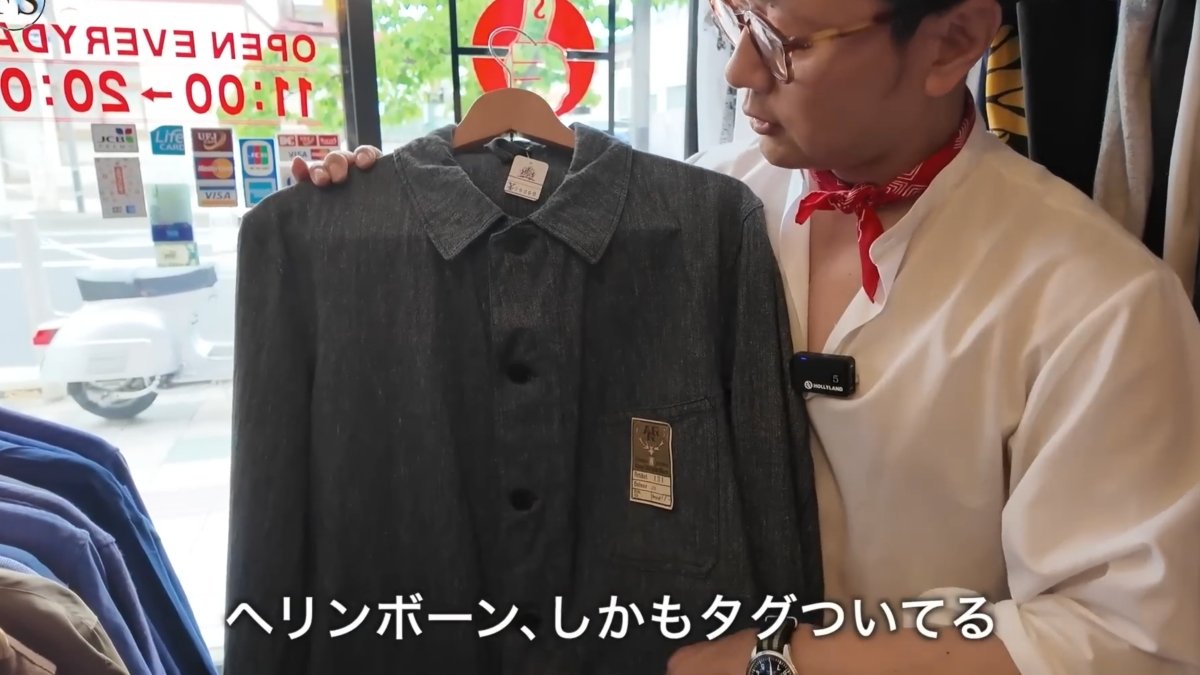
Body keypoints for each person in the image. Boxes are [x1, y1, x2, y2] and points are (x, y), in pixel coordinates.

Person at [286, 0, 1200, 673]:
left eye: (781, 39)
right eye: (731, 17)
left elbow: (1127, 636)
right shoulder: (691, 213)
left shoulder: (1100, 302)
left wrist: (784, 662)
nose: (737, 71)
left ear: (953, 41)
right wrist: (374, 218)